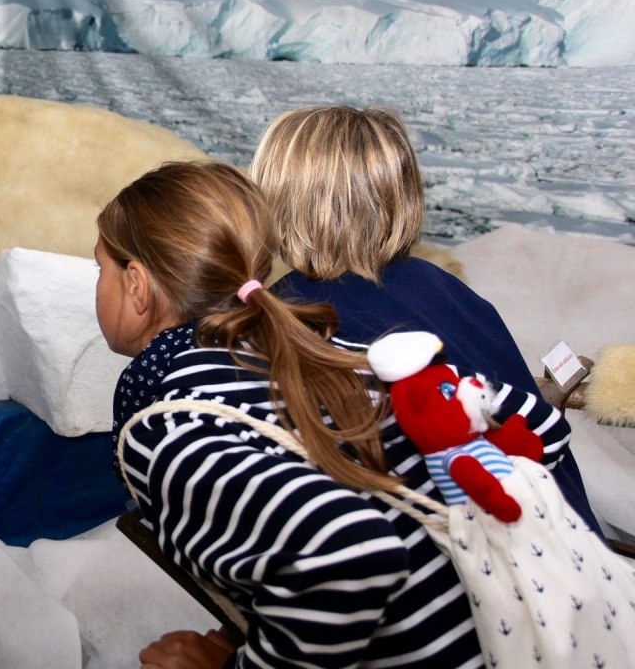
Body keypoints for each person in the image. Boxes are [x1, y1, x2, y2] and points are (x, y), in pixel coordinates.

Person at [95, 161, 574, 667]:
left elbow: (346, 555)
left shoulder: (168, 428)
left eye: (98, 268)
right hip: (541, 633)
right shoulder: (325, 348)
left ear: (137, 287)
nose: (96, 284)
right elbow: (540, 426)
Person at [250, 105, 602, 536]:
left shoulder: (293, 315)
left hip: (491, 573)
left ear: (275, 199)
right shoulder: (443, 285)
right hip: (574, 551)